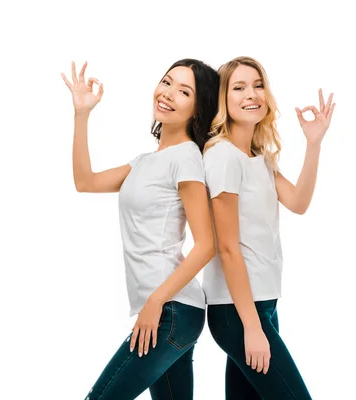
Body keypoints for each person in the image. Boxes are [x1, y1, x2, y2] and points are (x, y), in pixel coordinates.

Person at [61, 58, 219, 399]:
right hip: (172, 311)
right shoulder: (145, 162)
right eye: (166, 82)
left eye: (184, 91)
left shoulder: (186, 157)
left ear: (198, 107)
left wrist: (156, 301)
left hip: (170, 310)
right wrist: (82, 113)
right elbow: (85, 182)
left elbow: (206, 244)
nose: (168, 93)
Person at [202, 56, 336, 399]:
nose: (252, 94)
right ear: (223, 99)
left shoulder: (258, 157)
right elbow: (227, 248)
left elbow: (299, 203)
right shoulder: (222, 157)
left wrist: (314, 143)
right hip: (236, 310)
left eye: (258, 85)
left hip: (263, 303)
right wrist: (251, 326)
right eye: (239, 87)